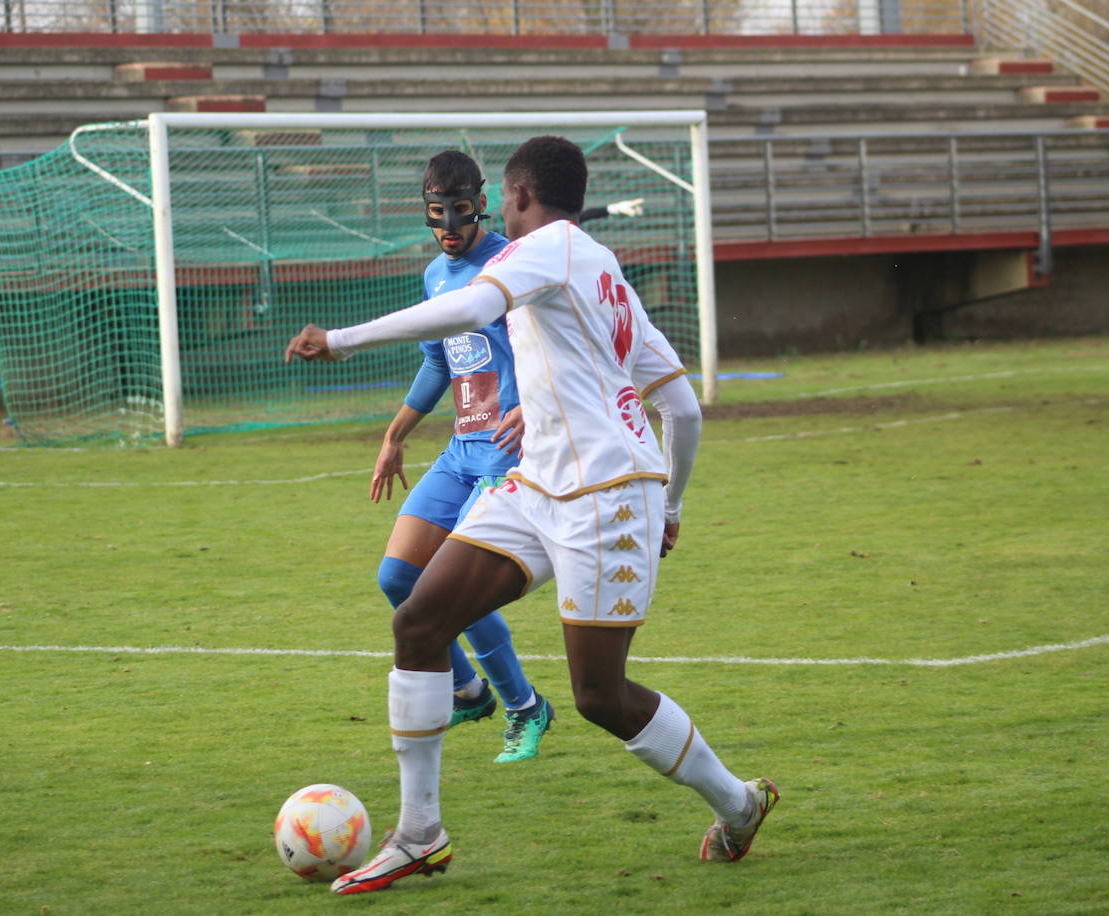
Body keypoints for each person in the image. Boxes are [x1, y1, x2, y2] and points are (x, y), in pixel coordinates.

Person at [286, 136, 778, 894]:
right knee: (419, 620)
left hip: (609, 497)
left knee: (599, 697)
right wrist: (673, 502)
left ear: (514, 198)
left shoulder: (539, 250)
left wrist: (344, 339)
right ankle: (420, 834)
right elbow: (680, 406)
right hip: (539, 483)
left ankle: (738, 803)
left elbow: (473, 304)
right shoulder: (599, 267)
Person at [372, 149, 553, 764]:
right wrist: (397, 434)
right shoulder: (435, 276)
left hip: (507, 456)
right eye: (435, 214)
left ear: (479, 203)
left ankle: (526, 708)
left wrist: (536, 402)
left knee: (456, 593)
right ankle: (469, 690)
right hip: (459, 452)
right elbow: (437, 360)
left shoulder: (513, 266)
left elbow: (556, 346)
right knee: (398, 578)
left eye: (459, 211)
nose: (448, 225)